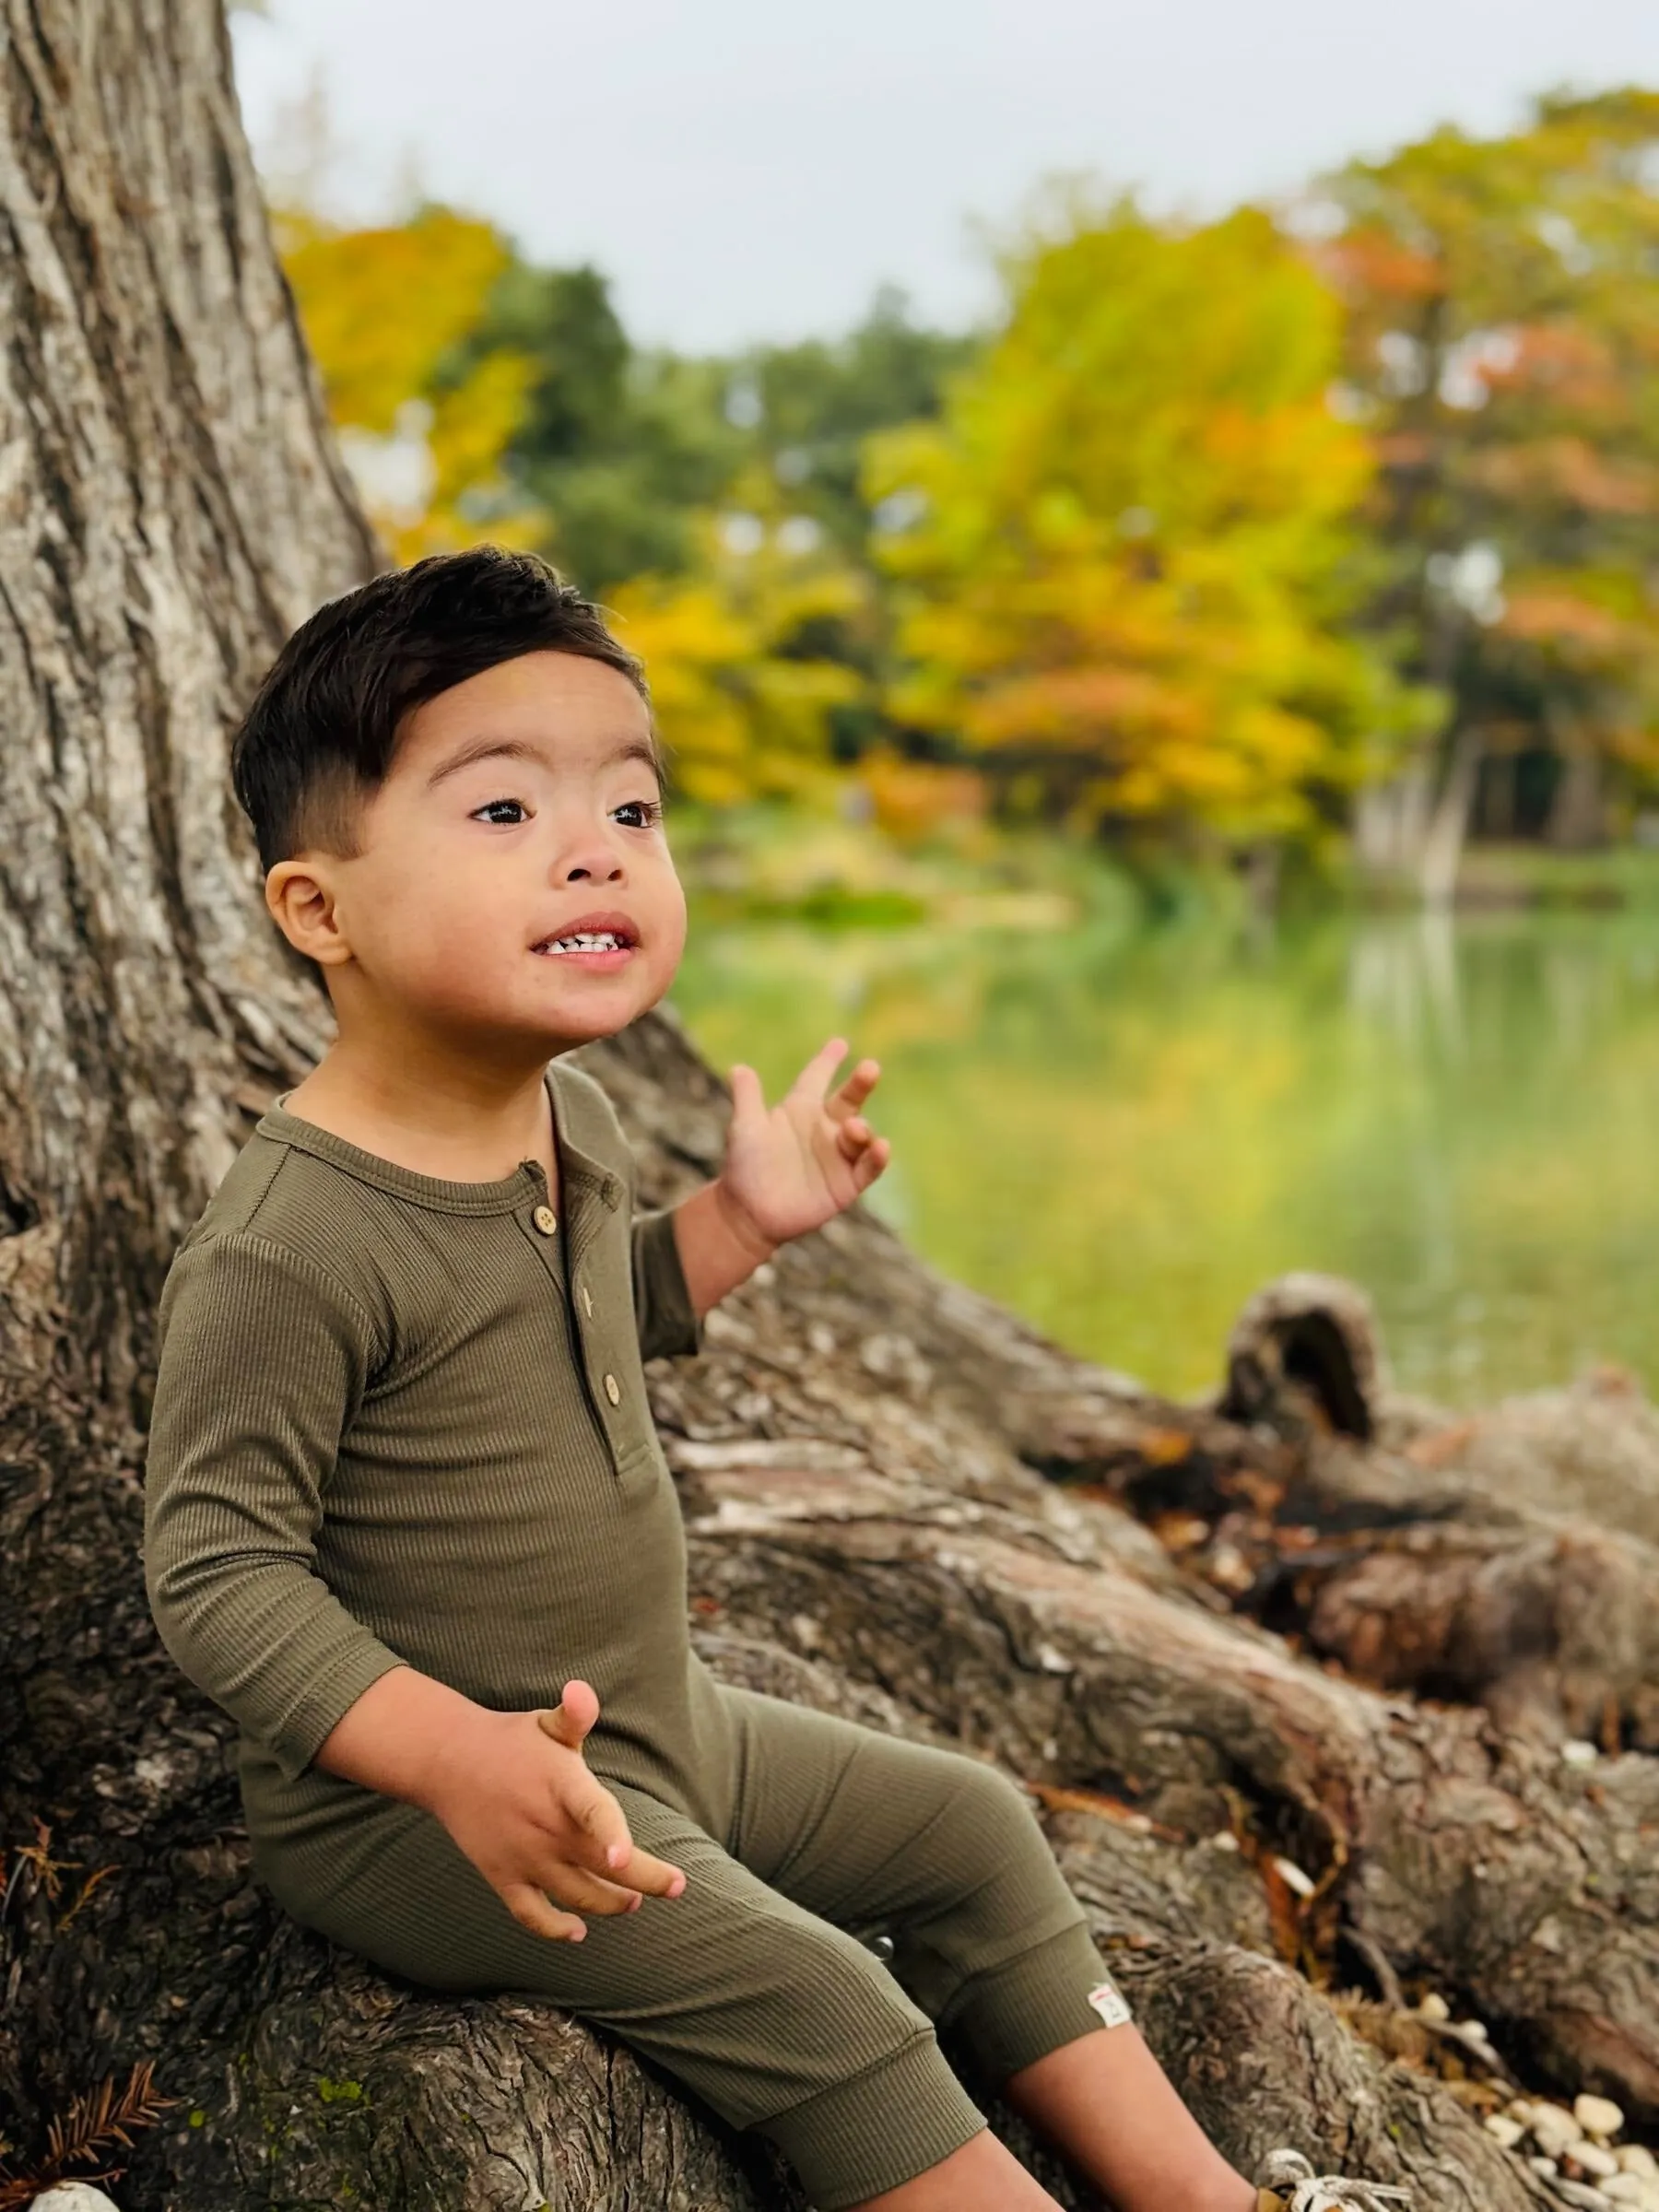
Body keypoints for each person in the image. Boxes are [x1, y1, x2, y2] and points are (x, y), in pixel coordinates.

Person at [144, 547, 1406, 2212]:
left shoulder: (564, 1123)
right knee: (829, 1994)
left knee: (964, 1828)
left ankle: (1210, 2200)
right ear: (320, 910)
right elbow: (216, 1571)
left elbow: (590, 1315)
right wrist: (451, 1756)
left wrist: (740, 1221)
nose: (596, 845)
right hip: (432, 1821)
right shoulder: (292, 1242)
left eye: (634, 811)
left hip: (658, 1726)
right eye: (505, 812)